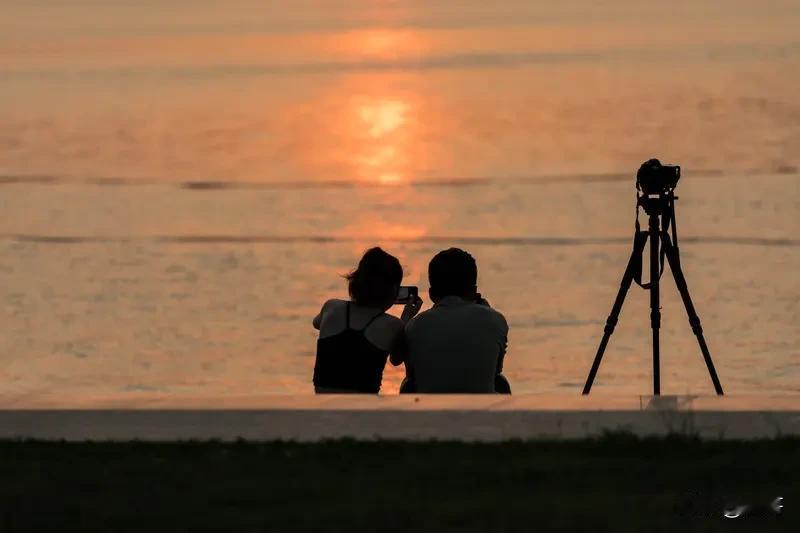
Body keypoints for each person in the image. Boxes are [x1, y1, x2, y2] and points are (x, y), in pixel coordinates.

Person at [312, 247, 422, 393]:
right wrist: (406, 319)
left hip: (322, 407)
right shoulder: (392, 325)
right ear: (393, 290)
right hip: (363, 410)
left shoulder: (331, 306)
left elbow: (317, 323)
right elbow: (396, 359)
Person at [403, 248, 510, 394]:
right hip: (481, 412)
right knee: (501, 382)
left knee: (408, 384)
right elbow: (496, 370)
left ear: (431, 294)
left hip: (430, 412)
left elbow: (411, 372)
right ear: (474, 291)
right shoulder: (496, 320)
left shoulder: (415, 325)